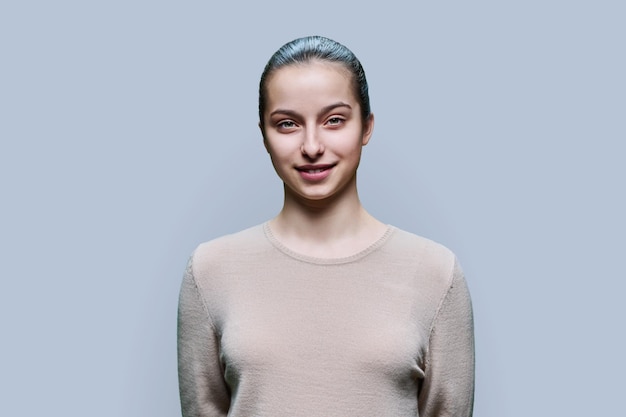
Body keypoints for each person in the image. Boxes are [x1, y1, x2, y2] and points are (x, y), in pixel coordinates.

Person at [177, 35, 475, 416]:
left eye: (334, 120)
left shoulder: (435, 273)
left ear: (366, 127)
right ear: (264, 135)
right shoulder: (210, 270)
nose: (312, 145)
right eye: (287, 124)